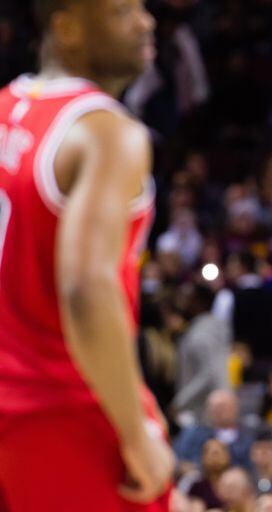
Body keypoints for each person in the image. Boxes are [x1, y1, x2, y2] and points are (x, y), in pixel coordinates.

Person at [0, 0, 174, 510]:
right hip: (67, 410)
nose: (146, 21)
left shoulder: (7, 107)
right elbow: (86, 290)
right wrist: (136, 433)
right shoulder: (108, 132)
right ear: (68, 27)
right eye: (122, 11)